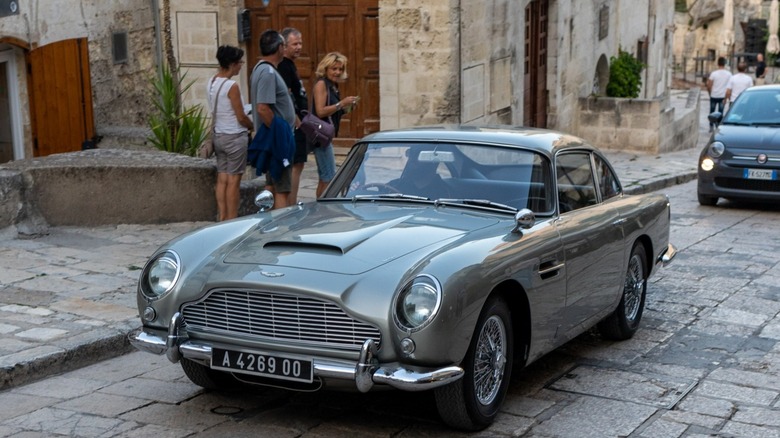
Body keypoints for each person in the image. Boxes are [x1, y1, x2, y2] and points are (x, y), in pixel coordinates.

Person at [249, 29, 296, 209]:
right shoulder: (268, 72)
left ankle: (267, 224)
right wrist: (280, 133)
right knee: (282, 189)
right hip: (277, 141)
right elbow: (263, 108)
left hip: (274, 139)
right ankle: (281, 228)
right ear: (279, 47)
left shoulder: (263, 70)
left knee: (271, 185)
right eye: (284, 45)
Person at [208, 45, 254, 221]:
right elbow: (241, 116)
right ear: (233, 64)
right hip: (234, 136)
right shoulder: (231, 86)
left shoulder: (212, 82)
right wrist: (251, 126)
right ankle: (232, 219)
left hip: (219, 135)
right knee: (234, 181)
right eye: (240, 62)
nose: (241, 66)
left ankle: (222, 216)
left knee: (223, 178)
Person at [312, 52, 359, 197]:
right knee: (329, 177)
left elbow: (332, 110)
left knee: (325, 177)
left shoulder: (333, 86)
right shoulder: (321, 84)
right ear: (326, 69)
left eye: (340, 69)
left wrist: (347, 107)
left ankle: (319, 206)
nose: (337, 72)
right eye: (334, 69)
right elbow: (320, 111)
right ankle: (321, 208)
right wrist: (341, 103)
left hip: (326, 136)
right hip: (320, 136)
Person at [277, 27, 308, 204]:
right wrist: (297, 121)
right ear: (284, 46)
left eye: (300, 43)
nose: (298, 47)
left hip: (298, 123)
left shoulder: (290, 65)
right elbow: (286, 96)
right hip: (294, 124)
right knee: (295, 165)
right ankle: (290, 204)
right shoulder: (283, 66)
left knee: (299, 164)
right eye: (295, 43)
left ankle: (292, 202)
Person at [706, 57, 732, 132]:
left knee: (712, 111)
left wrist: (710, 93)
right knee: (720, 112)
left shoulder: (714, 73)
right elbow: (730, 87)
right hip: (722, 96)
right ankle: (718, 126)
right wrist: (728, 97)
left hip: (714, 95)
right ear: (724, 64)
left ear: (718, 64)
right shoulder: (729, 74)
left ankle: (711, 126)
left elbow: (709, 85)